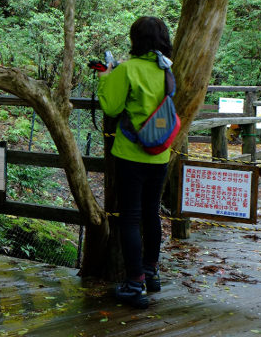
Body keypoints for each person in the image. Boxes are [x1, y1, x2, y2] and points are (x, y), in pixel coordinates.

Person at [97, 16, 174, 308]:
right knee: (151, 213)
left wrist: (106, 75)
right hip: (161, 153)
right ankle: (151, 272)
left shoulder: (128, 69)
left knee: (129, 217)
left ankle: (134, 284)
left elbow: (111, 106)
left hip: (130, 154)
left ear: (135, 39)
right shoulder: (167, 69)